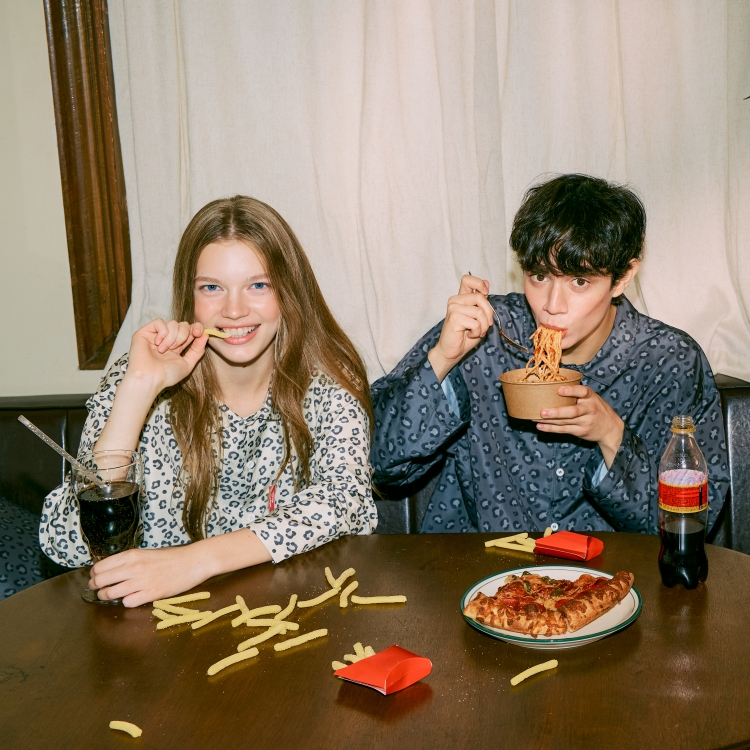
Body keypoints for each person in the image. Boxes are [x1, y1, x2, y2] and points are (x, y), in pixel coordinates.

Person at [41, 196, 376, 606]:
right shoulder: (138, 375)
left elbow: (345, 501)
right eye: (212, 288)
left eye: (258, 285)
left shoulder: (329, 378)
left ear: (289, 291)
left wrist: (194, 562)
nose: (234, 310)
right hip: (159, 628)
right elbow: (65, 542)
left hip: (292, 615)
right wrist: (137, 391)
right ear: (190, 296)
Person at [371, 174, 729, 535]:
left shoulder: (669, 362)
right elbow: (378, 466)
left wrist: (611, 434)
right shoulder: (484, 335)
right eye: (539, 276)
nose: (552, 306)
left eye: (579, 281)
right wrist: (442, 360)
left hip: (608, 569)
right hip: (479, 566)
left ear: (622, 278)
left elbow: (689, 524)